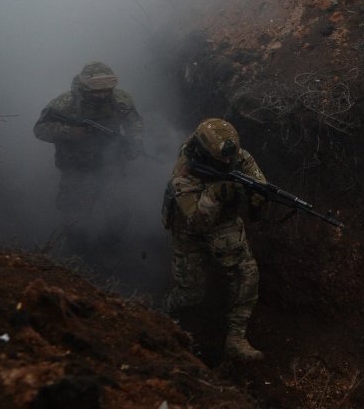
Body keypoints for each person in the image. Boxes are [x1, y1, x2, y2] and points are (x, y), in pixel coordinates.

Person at [161, 118, 267, 361]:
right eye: (223, 161)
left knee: (246, 272)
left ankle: (236, 338)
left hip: (223, 223)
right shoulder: (182, 174)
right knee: (191, 293)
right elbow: (197, 221)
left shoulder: (234, 154)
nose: (230, 162)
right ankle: (161, 314)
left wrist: (258, 194)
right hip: (188, 228)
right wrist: (216, 192)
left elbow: (257, 178)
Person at [33, 61, 144, 219]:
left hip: (112, 167)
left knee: (118, 214)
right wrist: (69, 132)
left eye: (107, 90)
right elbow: (39, 129)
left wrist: (135, 143)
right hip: (76, 170)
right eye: (97, 91)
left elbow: (134, 123)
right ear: (85, 87)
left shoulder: (121, 100)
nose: (102, 95)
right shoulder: (64, 104)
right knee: (75, 216)